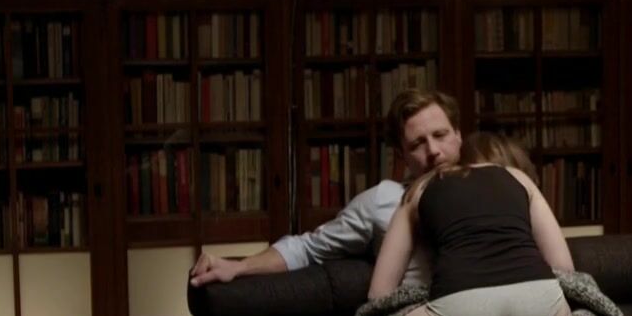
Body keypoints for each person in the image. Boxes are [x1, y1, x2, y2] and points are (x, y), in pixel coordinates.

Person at [344, 140, 575, 316]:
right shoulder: (518, 178)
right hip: (540, 303)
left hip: (463, 308)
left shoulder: (421, 187)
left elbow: (379, 293)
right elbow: (564, 268)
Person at [188, 89, 463, 287]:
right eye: (417, 144)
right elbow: (306, 248)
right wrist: (239, 266)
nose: (433, 151)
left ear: (458, 136)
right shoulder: (384, 200)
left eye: (440, 135)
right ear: (401, 155)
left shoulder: (487, 187)